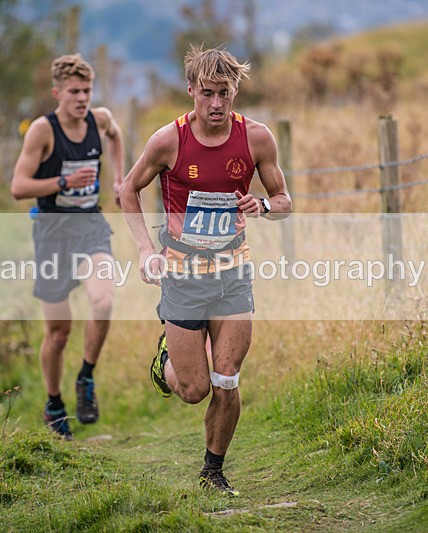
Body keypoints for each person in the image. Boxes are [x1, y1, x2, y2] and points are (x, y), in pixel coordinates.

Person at [121, 45, 292, 495]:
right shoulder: (168, 141)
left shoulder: (256, 138)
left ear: (235, 90)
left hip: (233, 272)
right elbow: (127, 190)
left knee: (227, 376)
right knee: (194, 387)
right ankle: (168, 359)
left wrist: (265, 205)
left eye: (225, 93)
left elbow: (285, 201)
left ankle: (212, 472)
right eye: (207, 94)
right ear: (191, 91)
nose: (216, 104)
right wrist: (144, 251)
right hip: (181, 273)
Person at [11, 54, 124, 440]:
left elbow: (116, 136)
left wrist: (120, 181)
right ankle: (54, 403)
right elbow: (18, 187)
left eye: (87, 91)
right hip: (52, 233)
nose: (82, 98)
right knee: (58, 333)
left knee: (104, 299)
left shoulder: (100, 119)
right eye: (74, 91)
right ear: (57, 92)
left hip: (90, 226)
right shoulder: (43, 131)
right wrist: (61, 183)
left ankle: (86, 377)